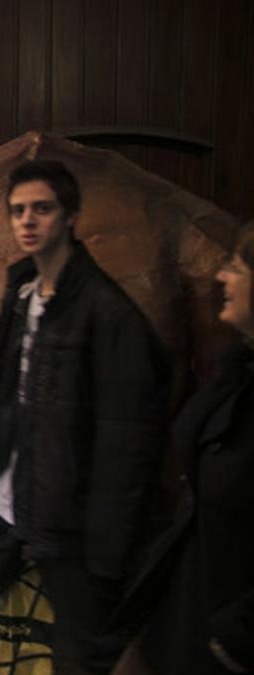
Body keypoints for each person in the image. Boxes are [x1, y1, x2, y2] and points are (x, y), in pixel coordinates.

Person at [0, 161, 169, 674]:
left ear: (70, 216)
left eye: (42, 208)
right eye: (18, 211)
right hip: (9, 500)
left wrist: (108, 552)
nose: (28, 221)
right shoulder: (22, 294)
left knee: (79, 653)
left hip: (70, 517)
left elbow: (127, 440)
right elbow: (6, 406)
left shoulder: (107, 311)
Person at [110, 223, 254, 675]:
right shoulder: (239, 369)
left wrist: (233, 642)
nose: (222, 277)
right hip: (179, 617)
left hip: (220, 642)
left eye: (238, 266)